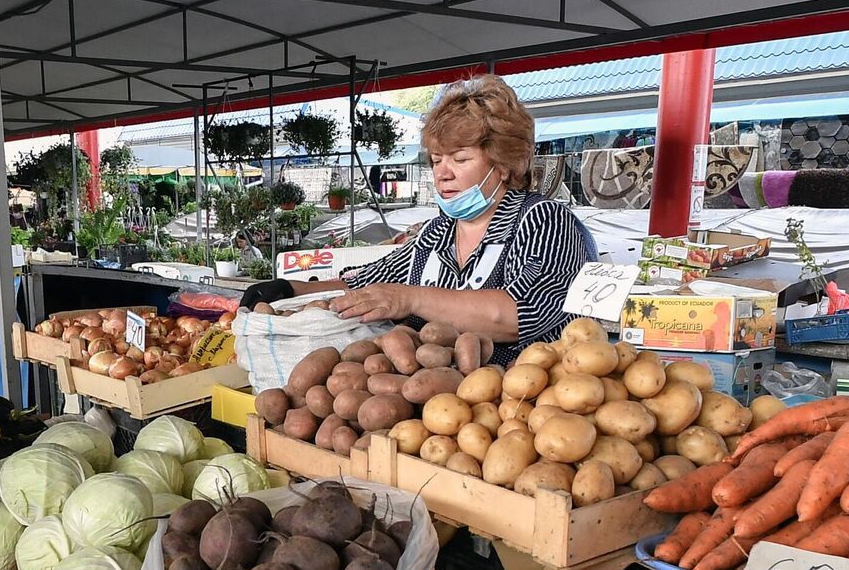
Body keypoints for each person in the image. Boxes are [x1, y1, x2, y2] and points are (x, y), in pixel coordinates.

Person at [240, 76, 590, 361]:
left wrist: (411, 298)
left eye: (460, 159)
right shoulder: (438, 233)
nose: (443, 174)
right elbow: (367, 284)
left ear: (503, 163)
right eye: (437, 160)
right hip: (437, 406)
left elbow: (517, 316)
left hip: (525, 408)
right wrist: (289, 288)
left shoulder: (544, 221)